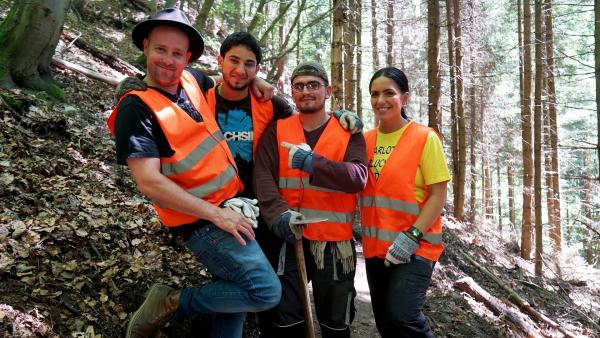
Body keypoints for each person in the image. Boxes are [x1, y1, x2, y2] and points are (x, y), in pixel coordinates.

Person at [106, 8, 282, 338]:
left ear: (188, 57)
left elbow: (227, 79)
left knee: (234, 288)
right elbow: (148, 181)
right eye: (160, 50)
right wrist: (217, 215)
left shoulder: (192, 80)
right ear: (146, 47)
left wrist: (256, 78)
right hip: (201, 221)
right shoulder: (136, 107)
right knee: (264, 292)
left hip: (229, 206)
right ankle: (172, 302)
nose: (169, 61)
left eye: (177, 53)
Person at [253, 61, 368, 338]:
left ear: (327, 90)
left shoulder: (348, 132)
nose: (306, 91)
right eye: (299, 86)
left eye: (313, 85)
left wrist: (312, 163)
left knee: (335, 322)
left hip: (334, 243)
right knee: (287, 318)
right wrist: (277, 214)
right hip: (290, 238)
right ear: (292, 92)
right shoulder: (277, 130)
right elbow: (262, 175)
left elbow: (357, 177)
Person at [359, 67, 450, 338]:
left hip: (416, 246)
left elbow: (438, 195)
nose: (381, 100)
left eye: (389, 93)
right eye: (375, 94)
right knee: (387, 323)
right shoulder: (365, 141)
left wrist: (412, 236)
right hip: (376, 248)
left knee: (403, 316)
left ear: (405, 98)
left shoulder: (424, 138)